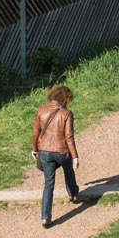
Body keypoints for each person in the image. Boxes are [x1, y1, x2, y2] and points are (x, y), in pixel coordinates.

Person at [32, 84, 83, 229]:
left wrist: (34, 149)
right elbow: (69, 137)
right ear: (66, 98)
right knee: (68, 171)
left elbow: (36, 133)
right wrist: (75, 157)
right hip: (62, 152)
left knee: (49, 184)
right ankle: (73, 193)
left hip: (45, 152)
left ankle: (45, 217)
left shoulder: (41, 111)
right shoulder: (66, 113)